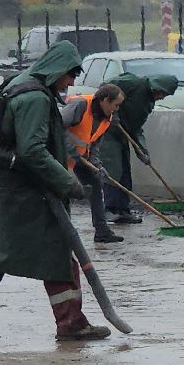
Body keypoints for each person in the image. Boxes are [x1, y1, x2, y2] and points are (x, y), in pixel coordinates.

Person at [0, 39, 113, 343]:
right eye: (71, 75)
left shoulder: (23, 85)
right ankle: (71, 323)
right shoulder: (35, 98)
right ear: (59, 69)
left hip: (12, 190)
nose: (71, 82)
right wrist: (66, 182)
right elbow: (33, 150)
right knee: (56, 254)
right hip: (28, 195)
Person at [98, 72, 177, 224]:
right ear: (156, 87)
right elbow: (106, 89)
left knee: (125, 172)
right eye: (162, 93)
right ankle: (109, 209)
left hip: (123, 134)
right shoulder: (133, 83)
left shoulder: (147, 103)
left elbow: (136, 127)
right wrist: (111, 113)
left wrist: (142, 151)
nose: (162, 97)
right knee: (113, 169)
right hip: (108, 131)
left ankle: (123, 209)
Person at [61, 82, 125, 244]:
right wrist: (71, 150)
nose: (116, 109)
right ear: (104, 100)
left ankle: (102, 231)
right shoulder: (80, 105)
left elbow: (94, 143)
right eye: (115, 105)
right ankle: (57, 232)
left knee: (96, 183)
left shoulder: (106, 118)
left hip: (80, 157)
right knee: (58, 189)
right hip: (58, 152)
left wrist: (97, 165)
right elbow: (56, 127)